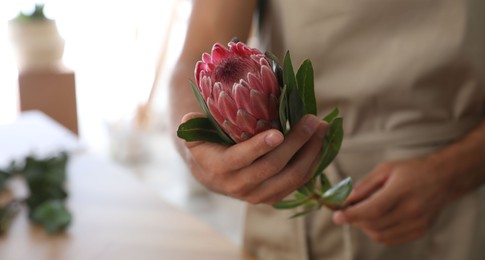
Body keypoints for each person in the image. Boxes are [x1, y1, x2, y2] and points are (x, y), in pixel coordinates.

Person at [168, 0, 485, 259]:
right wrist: (197, 150)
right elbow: (198, 51)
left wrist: (452, 171)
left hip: (459, 216)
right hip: (288, 207)